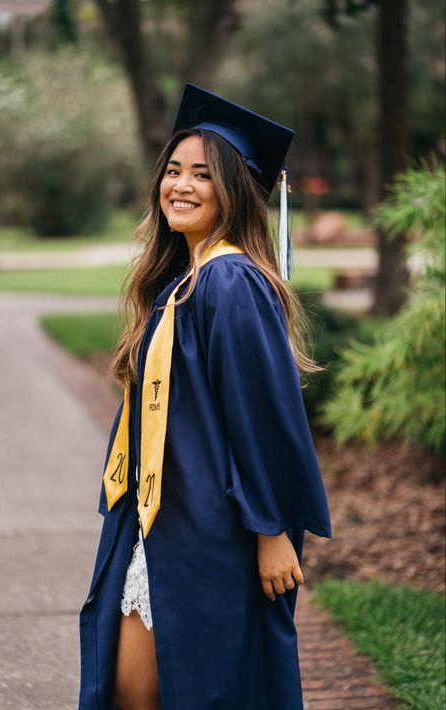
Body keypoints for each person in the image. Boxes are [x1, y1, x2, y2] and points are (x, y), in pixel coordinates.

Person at [79, 83, 332, 710]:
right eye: (172, 170)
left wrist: (272, 530)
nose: (181, 185)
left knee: (182, 686)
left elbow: (263, 416)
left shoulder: (228, 281)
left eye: (203, 175)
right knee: (137, 687)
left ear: (236, 191)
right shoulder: (185, 279)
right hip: (164, 517)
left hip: (211, 529)